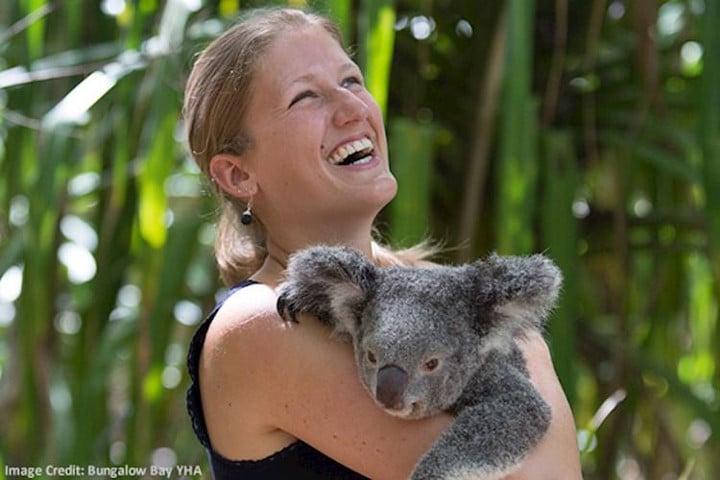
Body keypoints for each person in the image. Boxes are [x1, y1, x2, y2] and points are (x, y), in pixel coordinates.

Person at [183, 7, 583, 479]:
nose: (354, 109)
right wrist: (508, 336)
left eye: (352, 81)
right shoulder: (258, 327)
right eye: (305, 97)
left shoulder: (427, 292)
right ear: (238, 174)